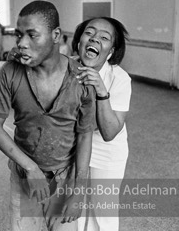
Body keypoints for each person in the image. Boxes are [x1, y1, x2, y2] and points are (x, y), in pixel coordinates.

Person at [0, 0, 96, 231]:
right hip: (24, 176)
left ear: (55, 35)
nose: (22, 43)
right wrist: (30, 168)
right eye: (18, 35)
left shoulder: (81, 79)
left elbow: (85, 136)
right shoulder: (10, 72)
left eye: (32, 35)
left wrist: (78, 192)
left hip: (65, 178)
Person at [72, 17, 131, 231]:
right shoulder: (64, 68)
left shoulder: (119, 78)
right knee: (73, 210)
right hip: (72, 148)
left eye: (104, 37)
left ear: (111, 51)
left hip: (107, 152)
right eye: (89, 33)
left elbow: (109, 132)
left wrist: (101, 90)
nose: (95, 39)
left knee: (103, 214)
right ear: (79, 40)